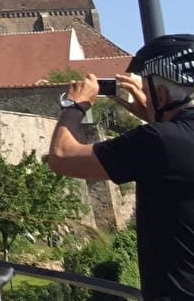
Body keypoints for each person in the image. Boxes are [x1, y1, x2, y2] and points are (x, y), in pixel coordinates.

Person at [48, 33, 194, 301]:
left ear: (160, 95)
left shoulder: (158, 142)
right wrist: (155, 116)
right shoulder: (165, 141)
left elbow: (61, 156)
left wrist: (75, 106)